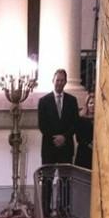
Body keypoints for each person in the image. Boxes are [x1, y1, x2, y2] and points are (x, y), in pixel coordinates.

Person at [38, 69, 81, 209]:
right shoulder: (44, 101)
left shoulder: (72, 101)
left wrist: (64, 137)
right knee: (47, 180)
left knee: (65, 180)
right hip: (49, 147)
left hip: (66, 146)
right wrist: (55, 138)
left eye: (62, 80)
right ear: (53, 81)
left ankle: (64, 210)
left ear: (65, 82)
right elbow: (42, 124)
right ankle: (45, 210)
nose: (59, 83)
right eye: (57, 80)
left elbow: (75, 123)